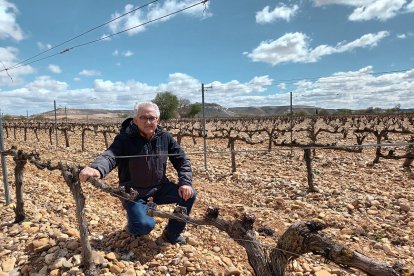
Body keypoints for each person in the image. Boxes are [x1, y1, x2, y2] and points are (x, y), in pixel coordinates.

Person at [79, 102, 196, 244]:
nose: (148, 121)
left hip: (159, 187)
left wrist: (185, 182)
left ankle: (171, 235)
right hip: (134, 193)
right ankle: (133, 226)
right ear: (135, 120)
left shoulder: (164, 137)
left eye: (152, 118)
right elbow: (111, 155)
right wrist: (96, 168)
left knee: (189, 194)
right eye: (143, 118)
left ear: (157, 120)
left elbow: (182, 159)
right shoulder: (125, 138)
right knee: (144, 226)